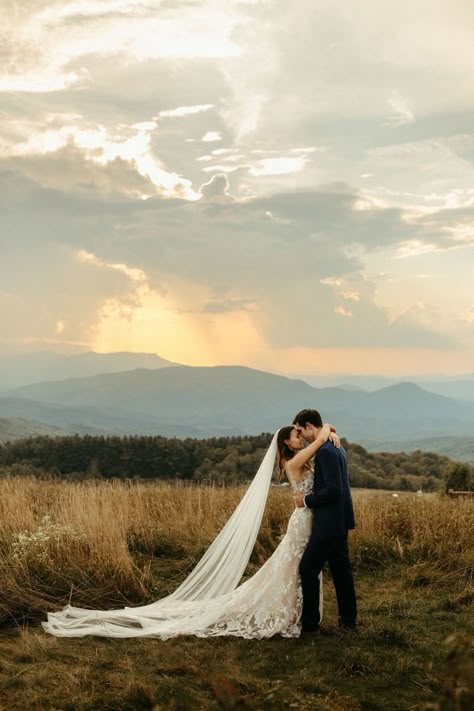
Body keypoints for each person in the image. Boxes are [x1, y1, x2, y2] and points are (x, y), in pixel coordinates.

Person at [42, 424, 338, 639]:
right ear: (286, 443)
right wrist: (324, 433)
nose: (302, 436)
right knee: (294, 568)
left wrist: (328, 438)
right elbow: (316, 446)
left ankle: (298, 614)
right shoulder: (293, 462)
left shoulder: (303, 460)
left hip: (307, 518)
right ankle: (301, 618)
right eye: (297, 434)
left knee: (294, 569)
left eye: (303, 433)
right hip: (302, 522)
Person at [293, 408, 357, 633]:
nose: (301, 436)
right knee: (341, 571)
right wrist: (328, 429)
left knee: (308, 568)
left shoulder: (327, 452)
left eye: (301, 431)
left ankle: (310, 625)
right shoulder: (334, 446)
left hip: (329, 522)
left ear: (310, 426)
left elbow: (334, 491)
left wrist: (306, 500)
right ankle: (348, 621)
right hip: (340, 520)